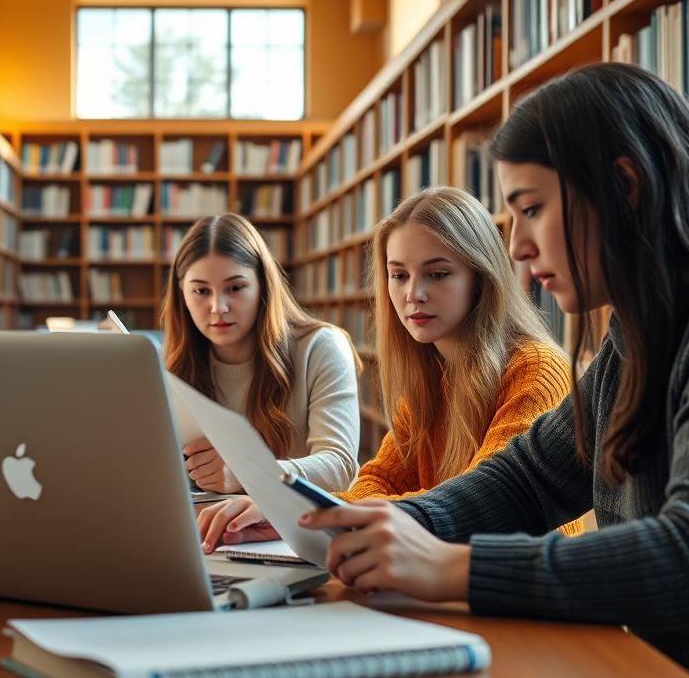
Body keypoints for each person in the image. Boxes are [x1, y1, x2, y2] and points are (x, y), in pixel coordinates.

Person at [298, 63, 689, 678]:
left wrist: (453, 567)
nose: (518, 247)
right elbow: (530, 479)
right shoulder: (638, 336)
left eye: (532, 209)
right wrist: (375, 524)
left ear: (624, 186)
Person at [197, 188, 577, 550]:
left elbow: (484, 503)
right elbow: (377, 480)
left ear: (481, 278)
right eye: (399, 275)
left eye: (437, 274)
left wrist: (319, 513)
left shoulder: (536, 371)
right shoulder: (433, 377)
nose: (414, 294)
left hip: (515, 587)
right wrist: (294, 513)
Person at [161, 213, 360, 492]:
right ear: (182, 294)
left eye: (235, 288)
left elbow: (340, 467)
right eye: (201, 291)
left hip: (295, 517)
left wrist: (249, 472)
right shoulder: (170, 362)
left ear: (263, 286)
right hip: (211, 515)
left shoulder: (321, 347)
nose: (218, 307)